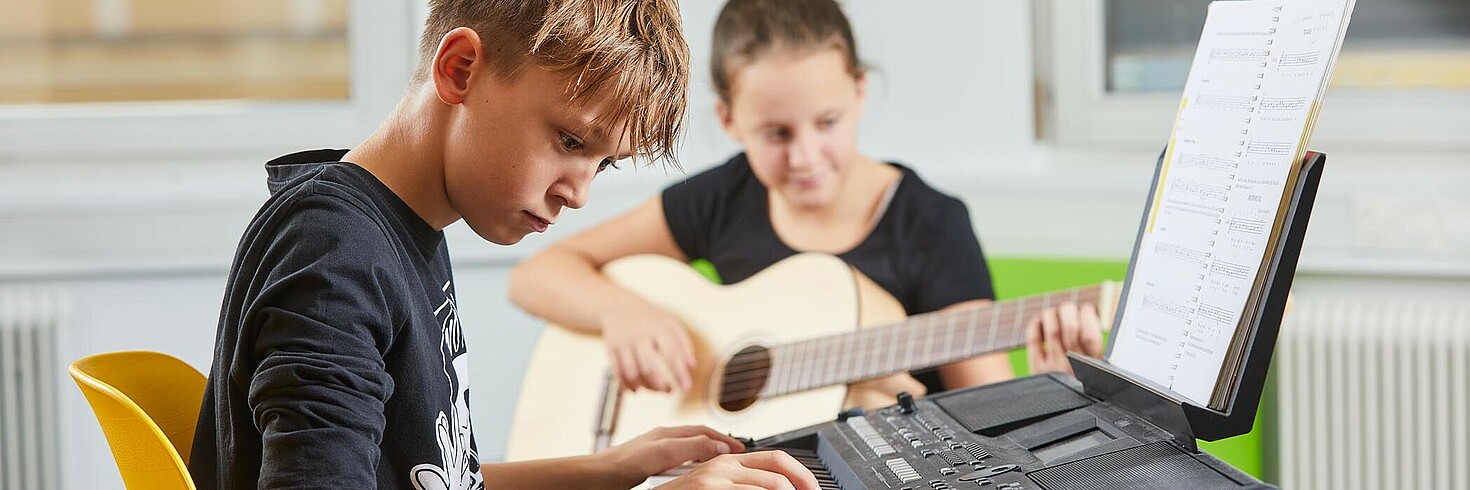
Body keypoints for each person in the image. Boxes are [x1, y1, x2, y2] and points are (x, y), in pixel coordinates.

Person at [188, 0, 818, 488]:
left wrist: (610, 470)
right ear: (460, 69)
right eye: (571, 143)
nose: (579, 195)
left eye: (603, 164)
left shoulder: (397, 229)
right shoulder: (336, 256)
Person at [509, 0, 1104, 410]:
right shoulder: (725, 196)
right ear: (729, 120)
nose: (805, 156)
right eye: (776, 133)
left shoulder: (930, 224)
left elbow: (990, 408)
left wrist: (1054, 381)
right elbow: (536, 276)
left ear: (860, 92)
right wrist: (624, 314)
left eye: (827, 122)